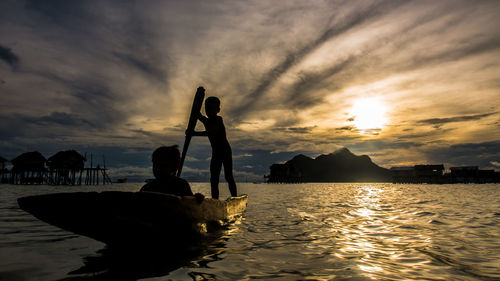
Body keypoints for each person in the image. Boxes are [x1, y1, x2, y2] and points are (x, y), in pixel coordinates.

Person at [191, 96, 237, 199]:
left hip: (225, 151)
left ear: (218, 110)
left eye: (212, 109)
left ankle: (235, 197)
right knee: (214, 179)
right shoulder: (206, 121)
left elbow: (211, 131)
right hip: (216, 153)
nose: (209, 111)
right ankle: (215, 200)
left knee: (228, 176)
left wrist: (194, 133)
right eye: (207, 108)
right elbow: (198, 115)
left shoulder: (219, 120)